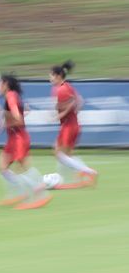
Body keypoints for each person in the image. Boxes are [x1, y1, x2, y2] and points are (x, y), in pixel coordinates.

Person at [0, 73, 51, 210]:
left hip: (18, 138)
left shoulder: (10, 96)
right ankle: (22, 192)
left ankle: (39, 193)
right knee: (3, 167)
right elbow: (19, 114)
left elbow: (18, 119)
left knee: (21, 169)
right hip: (13, 138)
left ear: (5, 84)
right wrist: (9, 120)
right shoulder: (12, 95)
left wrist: (6, 123)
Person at [49, 61, 97, 189]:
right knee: (64, 154)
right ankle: (76, 176)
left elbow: (72, 103)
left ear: (58, 76)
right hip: (71, 125)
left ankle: (87, 172)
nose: (50, 78)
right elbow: (79, 101)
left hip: (69, 127)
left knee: (60, 154)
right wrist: (70, 112)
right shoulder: (66, 86)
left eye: (51, 76)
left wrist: (61, 114)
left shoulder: (62, 89)